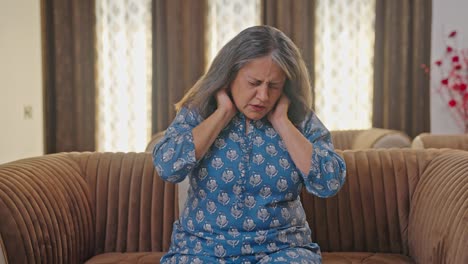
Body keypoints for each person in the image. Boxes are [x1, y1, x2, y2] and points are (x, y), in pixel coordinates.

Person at [152, 25, 346, 264]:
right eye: (254, 83)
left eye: (273, 86)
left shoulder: (299, 118)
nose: (263, 96)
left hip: (282, 251)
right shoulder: (200, 112)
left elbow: (330, 182)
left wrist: (283, 123)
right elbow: (167, 167)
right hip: (202, 251)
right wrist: (222, 114)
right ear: (230, 75)